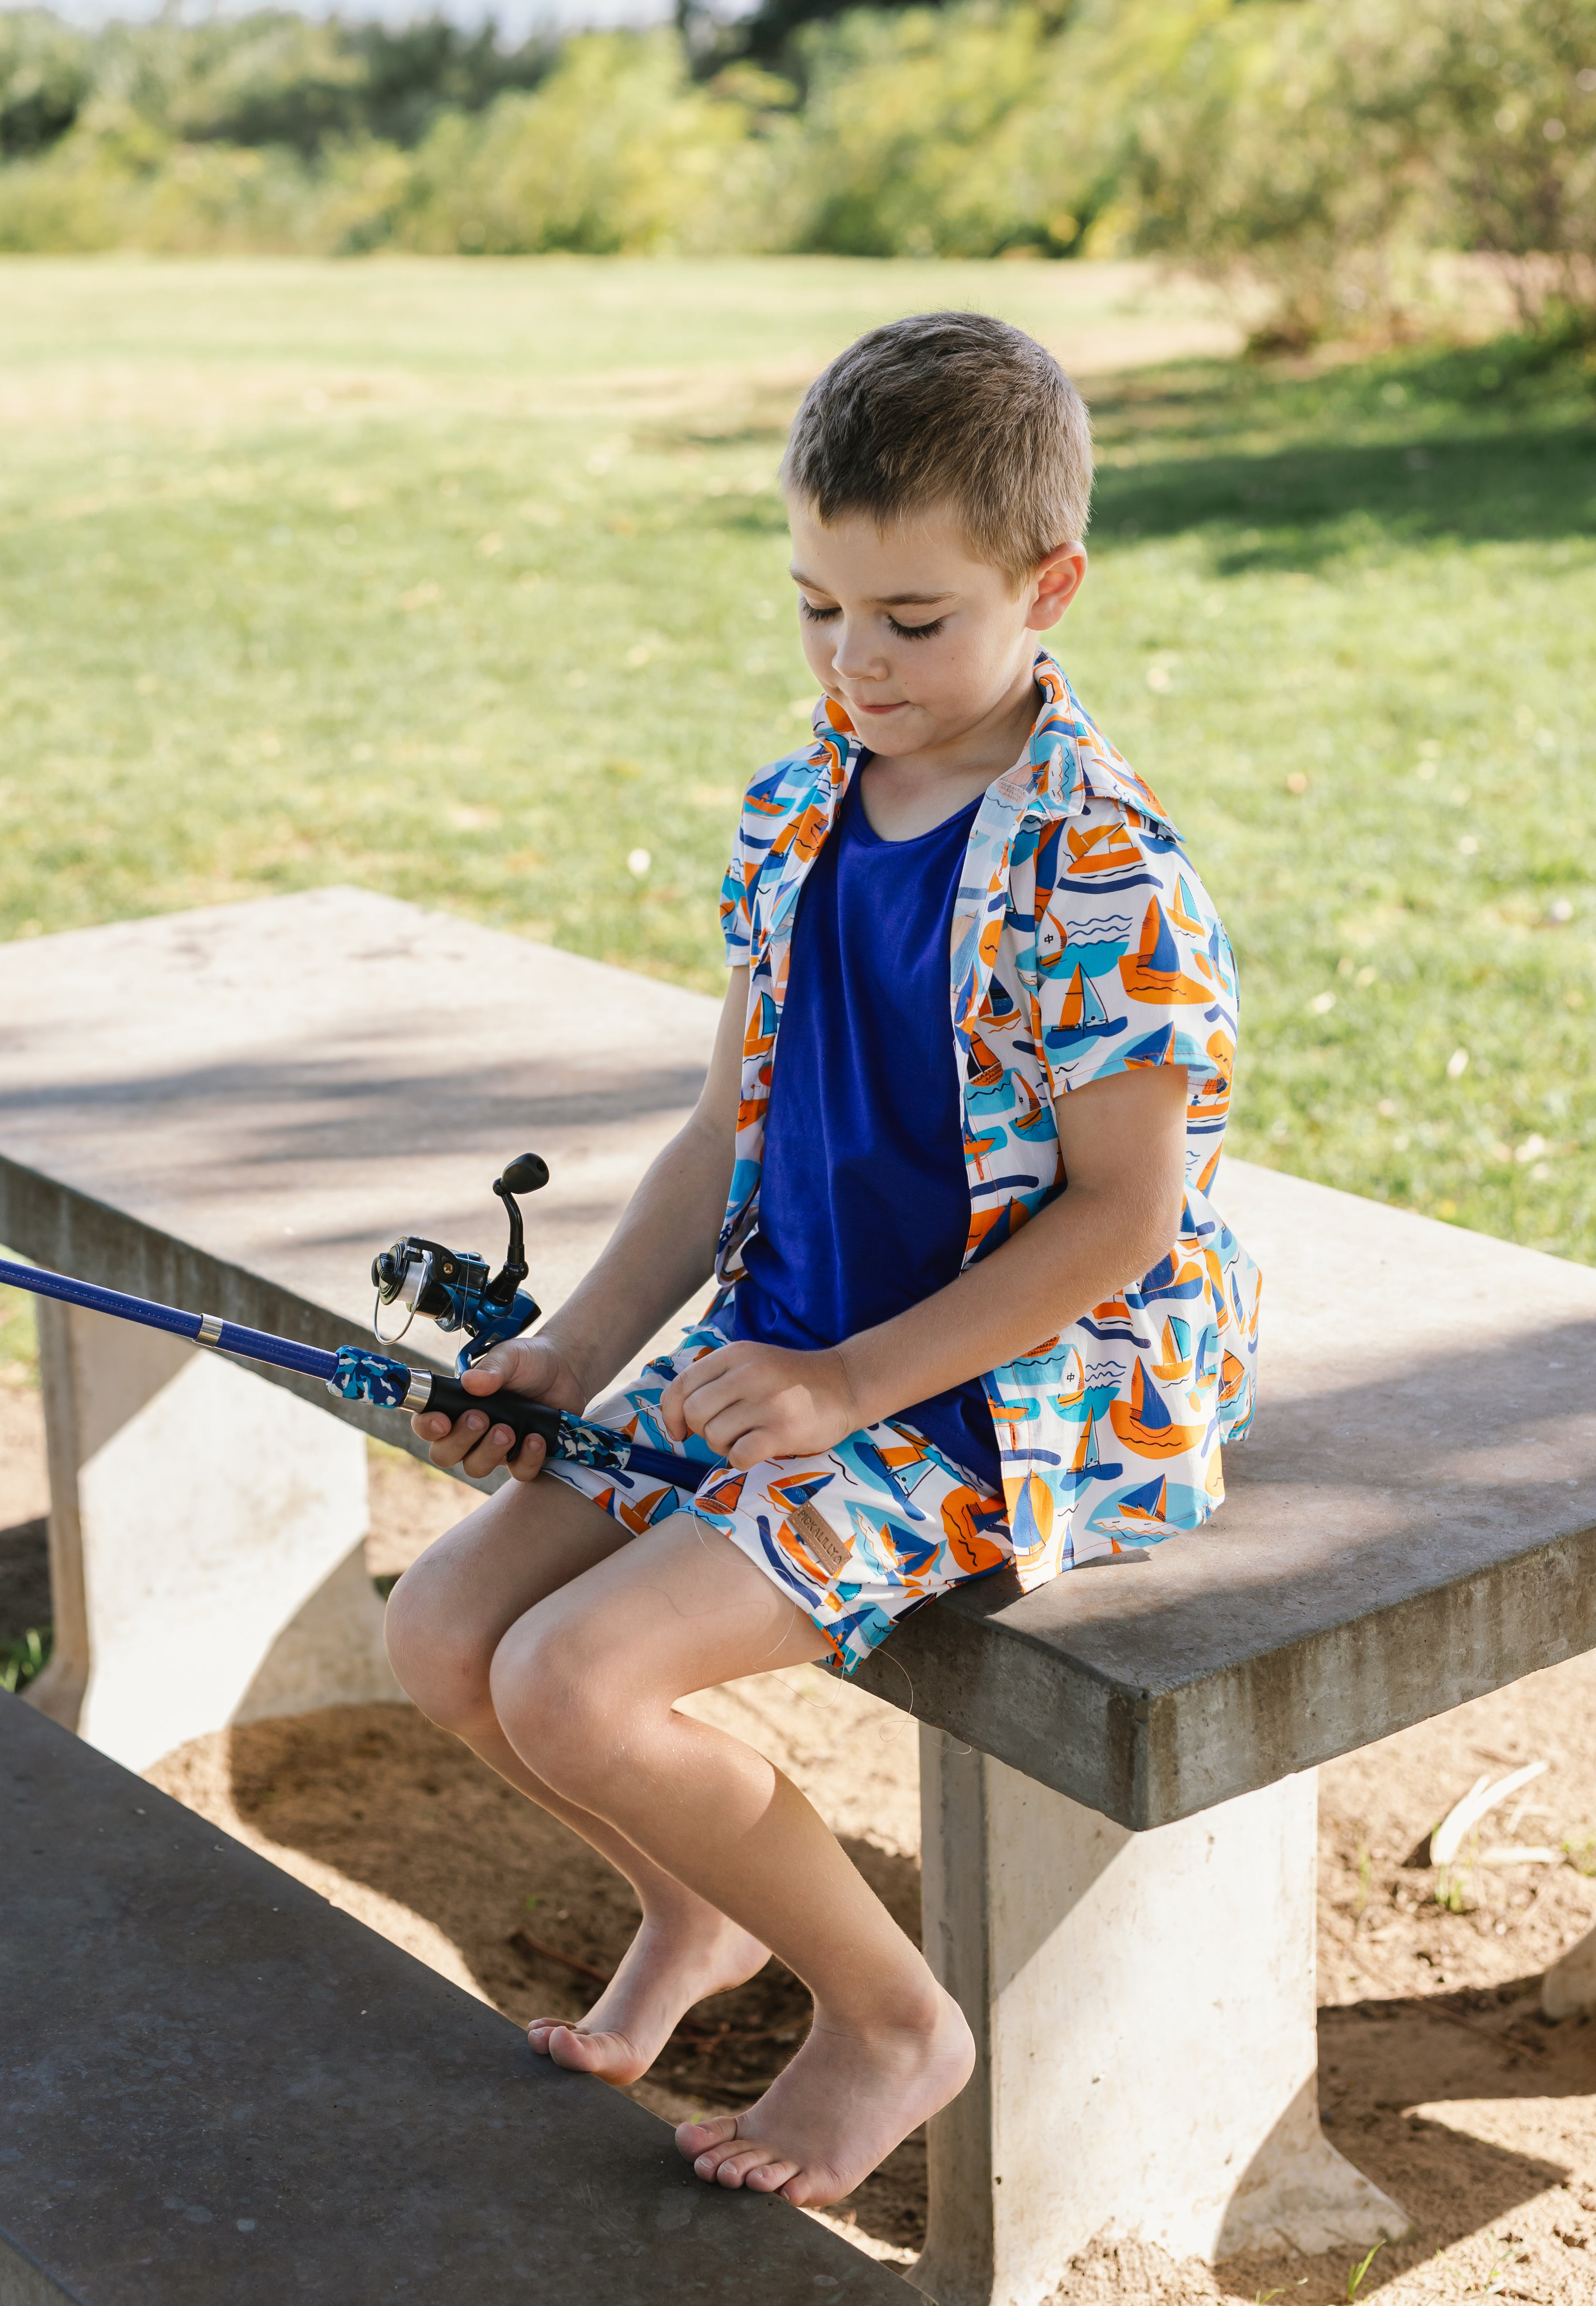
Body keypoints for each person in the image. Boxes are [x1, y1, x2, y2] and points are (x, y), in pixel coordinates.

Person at [383, 311, 1260, 2208]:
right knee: (444, 1636)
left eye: (914, 620)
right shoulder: (799, 809)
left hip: (982, 1397)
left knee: (575, 1687)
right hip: (783, 1345)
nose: (857, 662)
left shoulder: (1103, 873)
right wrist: (577, 1360)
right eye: (817, 609)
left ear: (1053, 589)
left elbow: (1126, 1216)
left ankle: (887, 2020)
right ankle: (695, 1914)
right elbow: (728, 1136)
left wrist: (855, 1387)